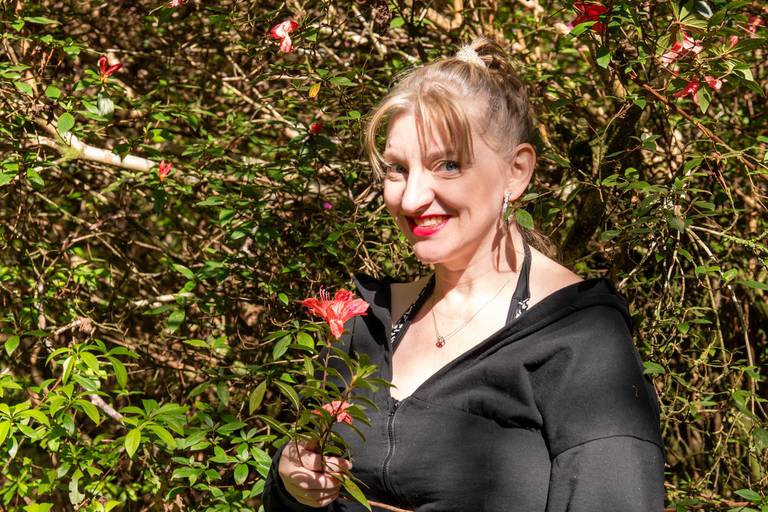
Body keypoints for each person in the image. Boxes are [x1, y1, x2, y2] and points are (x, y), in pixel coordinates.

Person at [263, 37, 664, 512]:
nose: (412, 198)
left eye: (448, 165)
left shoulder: (579, 337)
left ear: (516, 171)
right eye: (397, 169)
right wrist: (291, 485)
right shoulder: (366, 323)